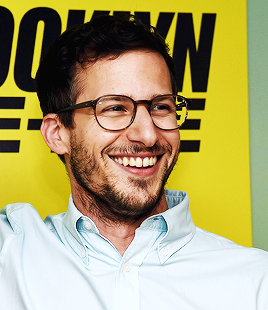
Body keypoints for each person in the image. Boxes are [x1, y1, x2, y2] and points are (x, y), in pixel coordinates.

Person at [0, 14, 268, 310]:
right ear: (57, 134)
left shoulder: (255, 282)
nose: (148, 134)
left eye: (160, 107)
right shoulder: (11, 256)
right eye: (115, 108)